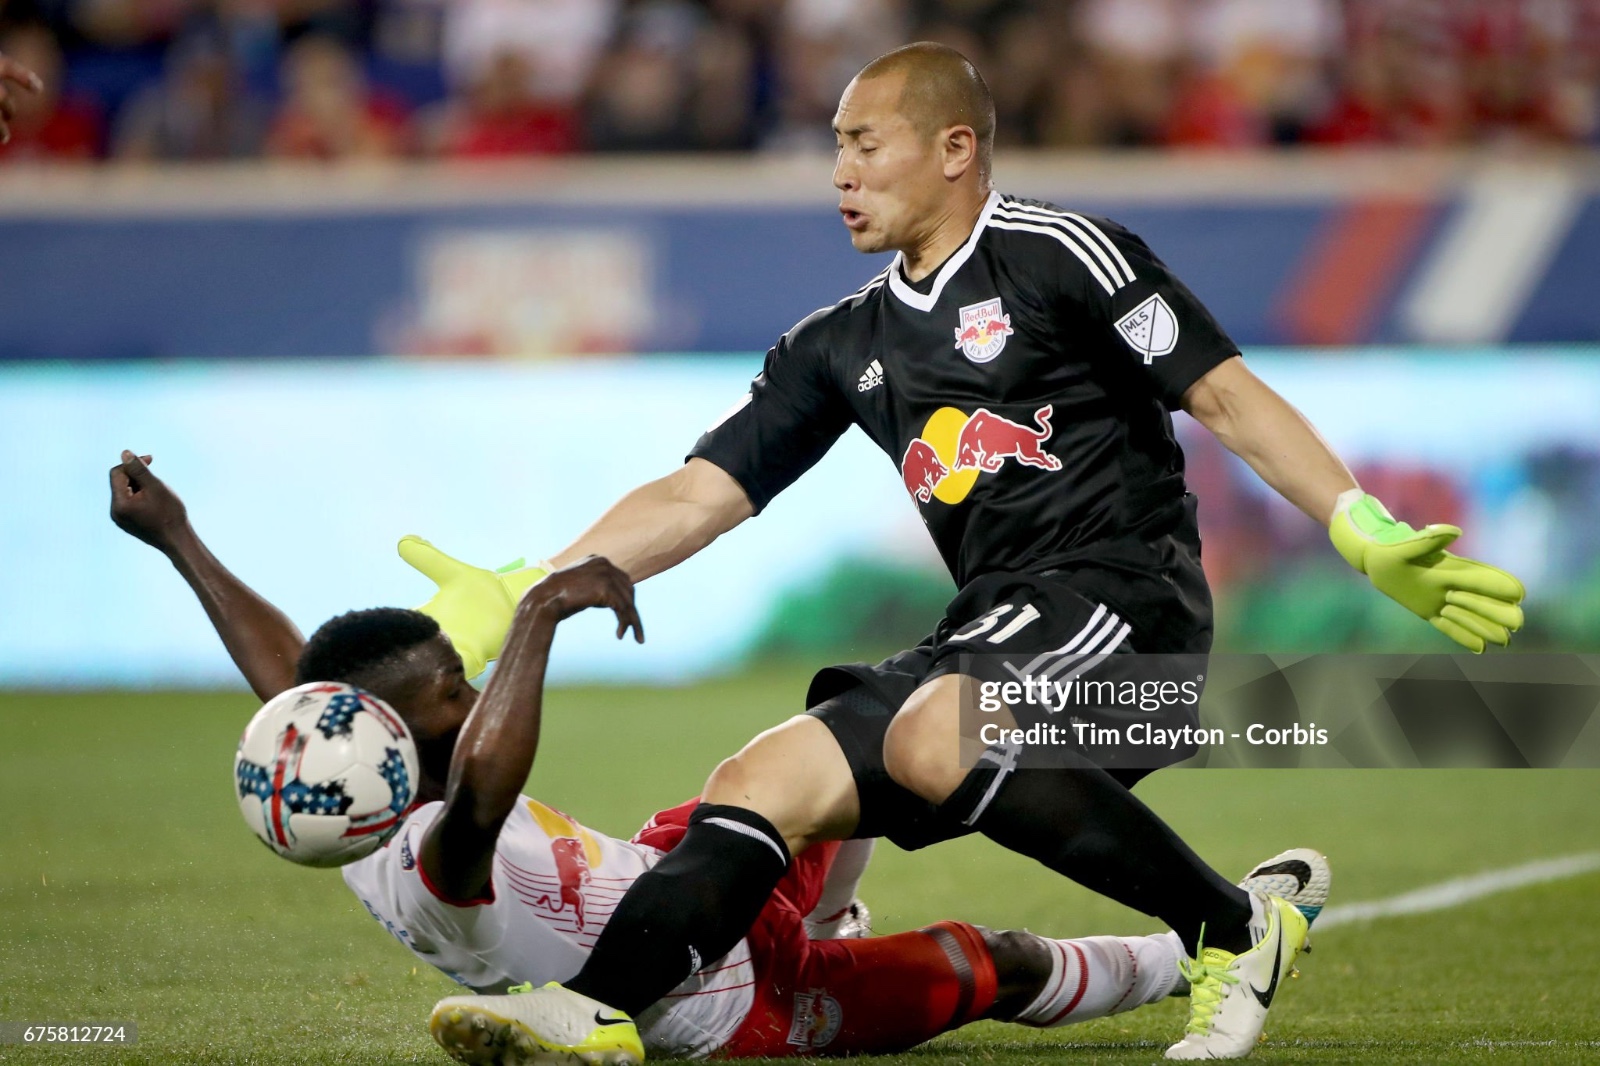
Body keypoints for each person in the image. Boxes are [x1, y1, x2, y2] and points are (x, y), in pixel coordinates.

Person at [406, 41, 1523, 1061]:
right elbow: (699, 493)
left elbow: (1224, 396)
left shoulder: (1058, 255)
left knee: (941, 726)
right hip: (990, 628)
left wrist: (1359, 527)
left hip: (1130, 611)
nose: (838, 171)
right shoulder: (838, 342)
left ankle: (1234, 929)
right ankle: (594, 1010)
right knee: (759, 778)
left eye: (862, 143)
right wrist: (532, 583)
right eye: (834, 147)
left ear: (954, 150)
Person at [109, 448, 1295, 1061]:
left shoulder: (351, 781)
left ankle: (1217, 894)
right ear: (404, 738)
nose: (469, 699)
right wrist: (536, 618)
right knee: (979, 965)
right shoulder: (427, 855)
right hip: (721, 1002)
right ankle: (1204, 936)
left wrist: (181, 541)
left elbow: (296, 686)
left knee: (840, 745)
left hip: (681, 872)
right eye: (451, 692)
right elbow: (485, 785)